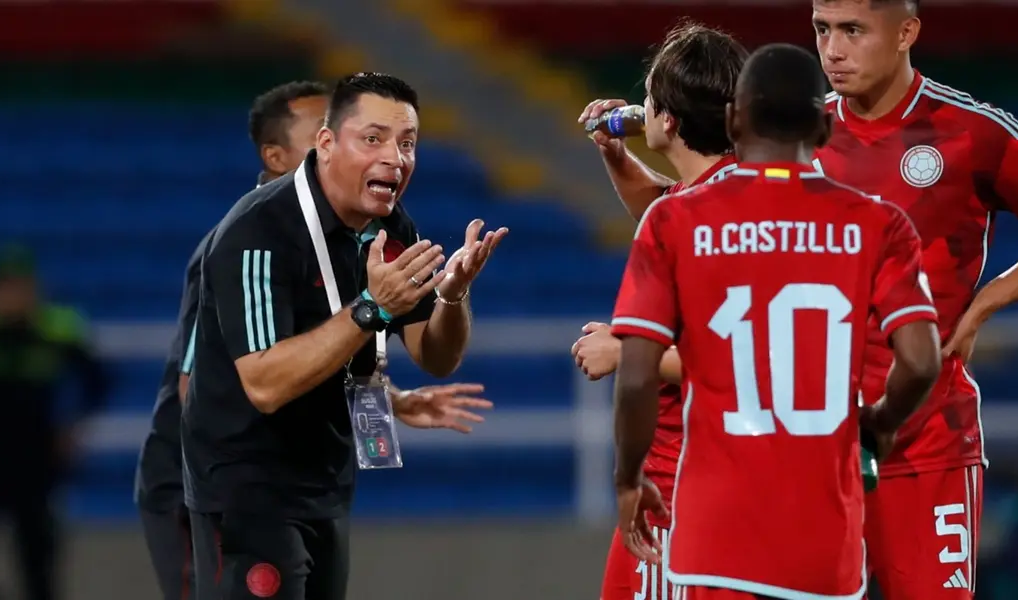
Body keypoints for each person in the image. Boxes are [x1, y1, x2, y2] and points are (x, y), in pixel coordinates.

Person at [608, 43, 943, 600]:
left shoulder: (673, 219)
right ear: (823, 126)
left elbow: (638, 373)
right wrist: (881, 422)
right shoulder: (880, 225)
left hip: (715, 538)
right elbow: (921, 359)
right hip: (824, 548)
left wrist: (628, 478)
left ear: (736, 119)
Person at [809, 0, 1018, 596]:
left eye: (852, 30)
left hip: (928, 440)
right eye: (822, 29)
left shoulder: (970, 130)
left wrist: (985, 304)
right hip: (814, 438)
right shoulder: (798, 133)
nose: (833, 50)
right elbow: (705, 221)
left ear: (906, 33)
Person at [182, 72, 505, 600]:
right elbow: (264, 383)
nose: (395, 157)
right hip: (245, 489)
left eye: (407, 143)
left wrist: (453, 295)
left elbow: (435, 355)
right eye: (373, 138)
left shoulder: (393, 226)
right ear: (326, 143)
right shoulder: (259, 232)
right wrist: (372, 309)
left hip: (326, 483)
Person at [570, 23, 747, 600]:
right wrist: (615, 153)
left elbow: (743, 361)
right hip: (732, 477)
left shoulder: (703, 216)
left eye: (648, 98)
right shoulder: (728, 195)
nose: (638, 109)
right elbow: (663, 208)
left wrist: (624, 352)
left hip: (685, 479)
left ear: (666, 121)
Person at [134, 80, 330, 600]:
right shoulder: (242, 239)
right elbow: (191, 383)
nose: (341, 142)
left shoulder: (325, 242)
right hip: (205, 486)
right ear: (277, 155)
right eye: (323, 132)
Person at [0, 244, 109, 600]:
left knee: (38, 562)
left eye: (21, 286)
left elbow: (98, 380)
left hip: (35, 458)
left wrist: (71, 426)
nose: (13, 296)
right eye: (5, 286)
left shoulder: (58, 328)